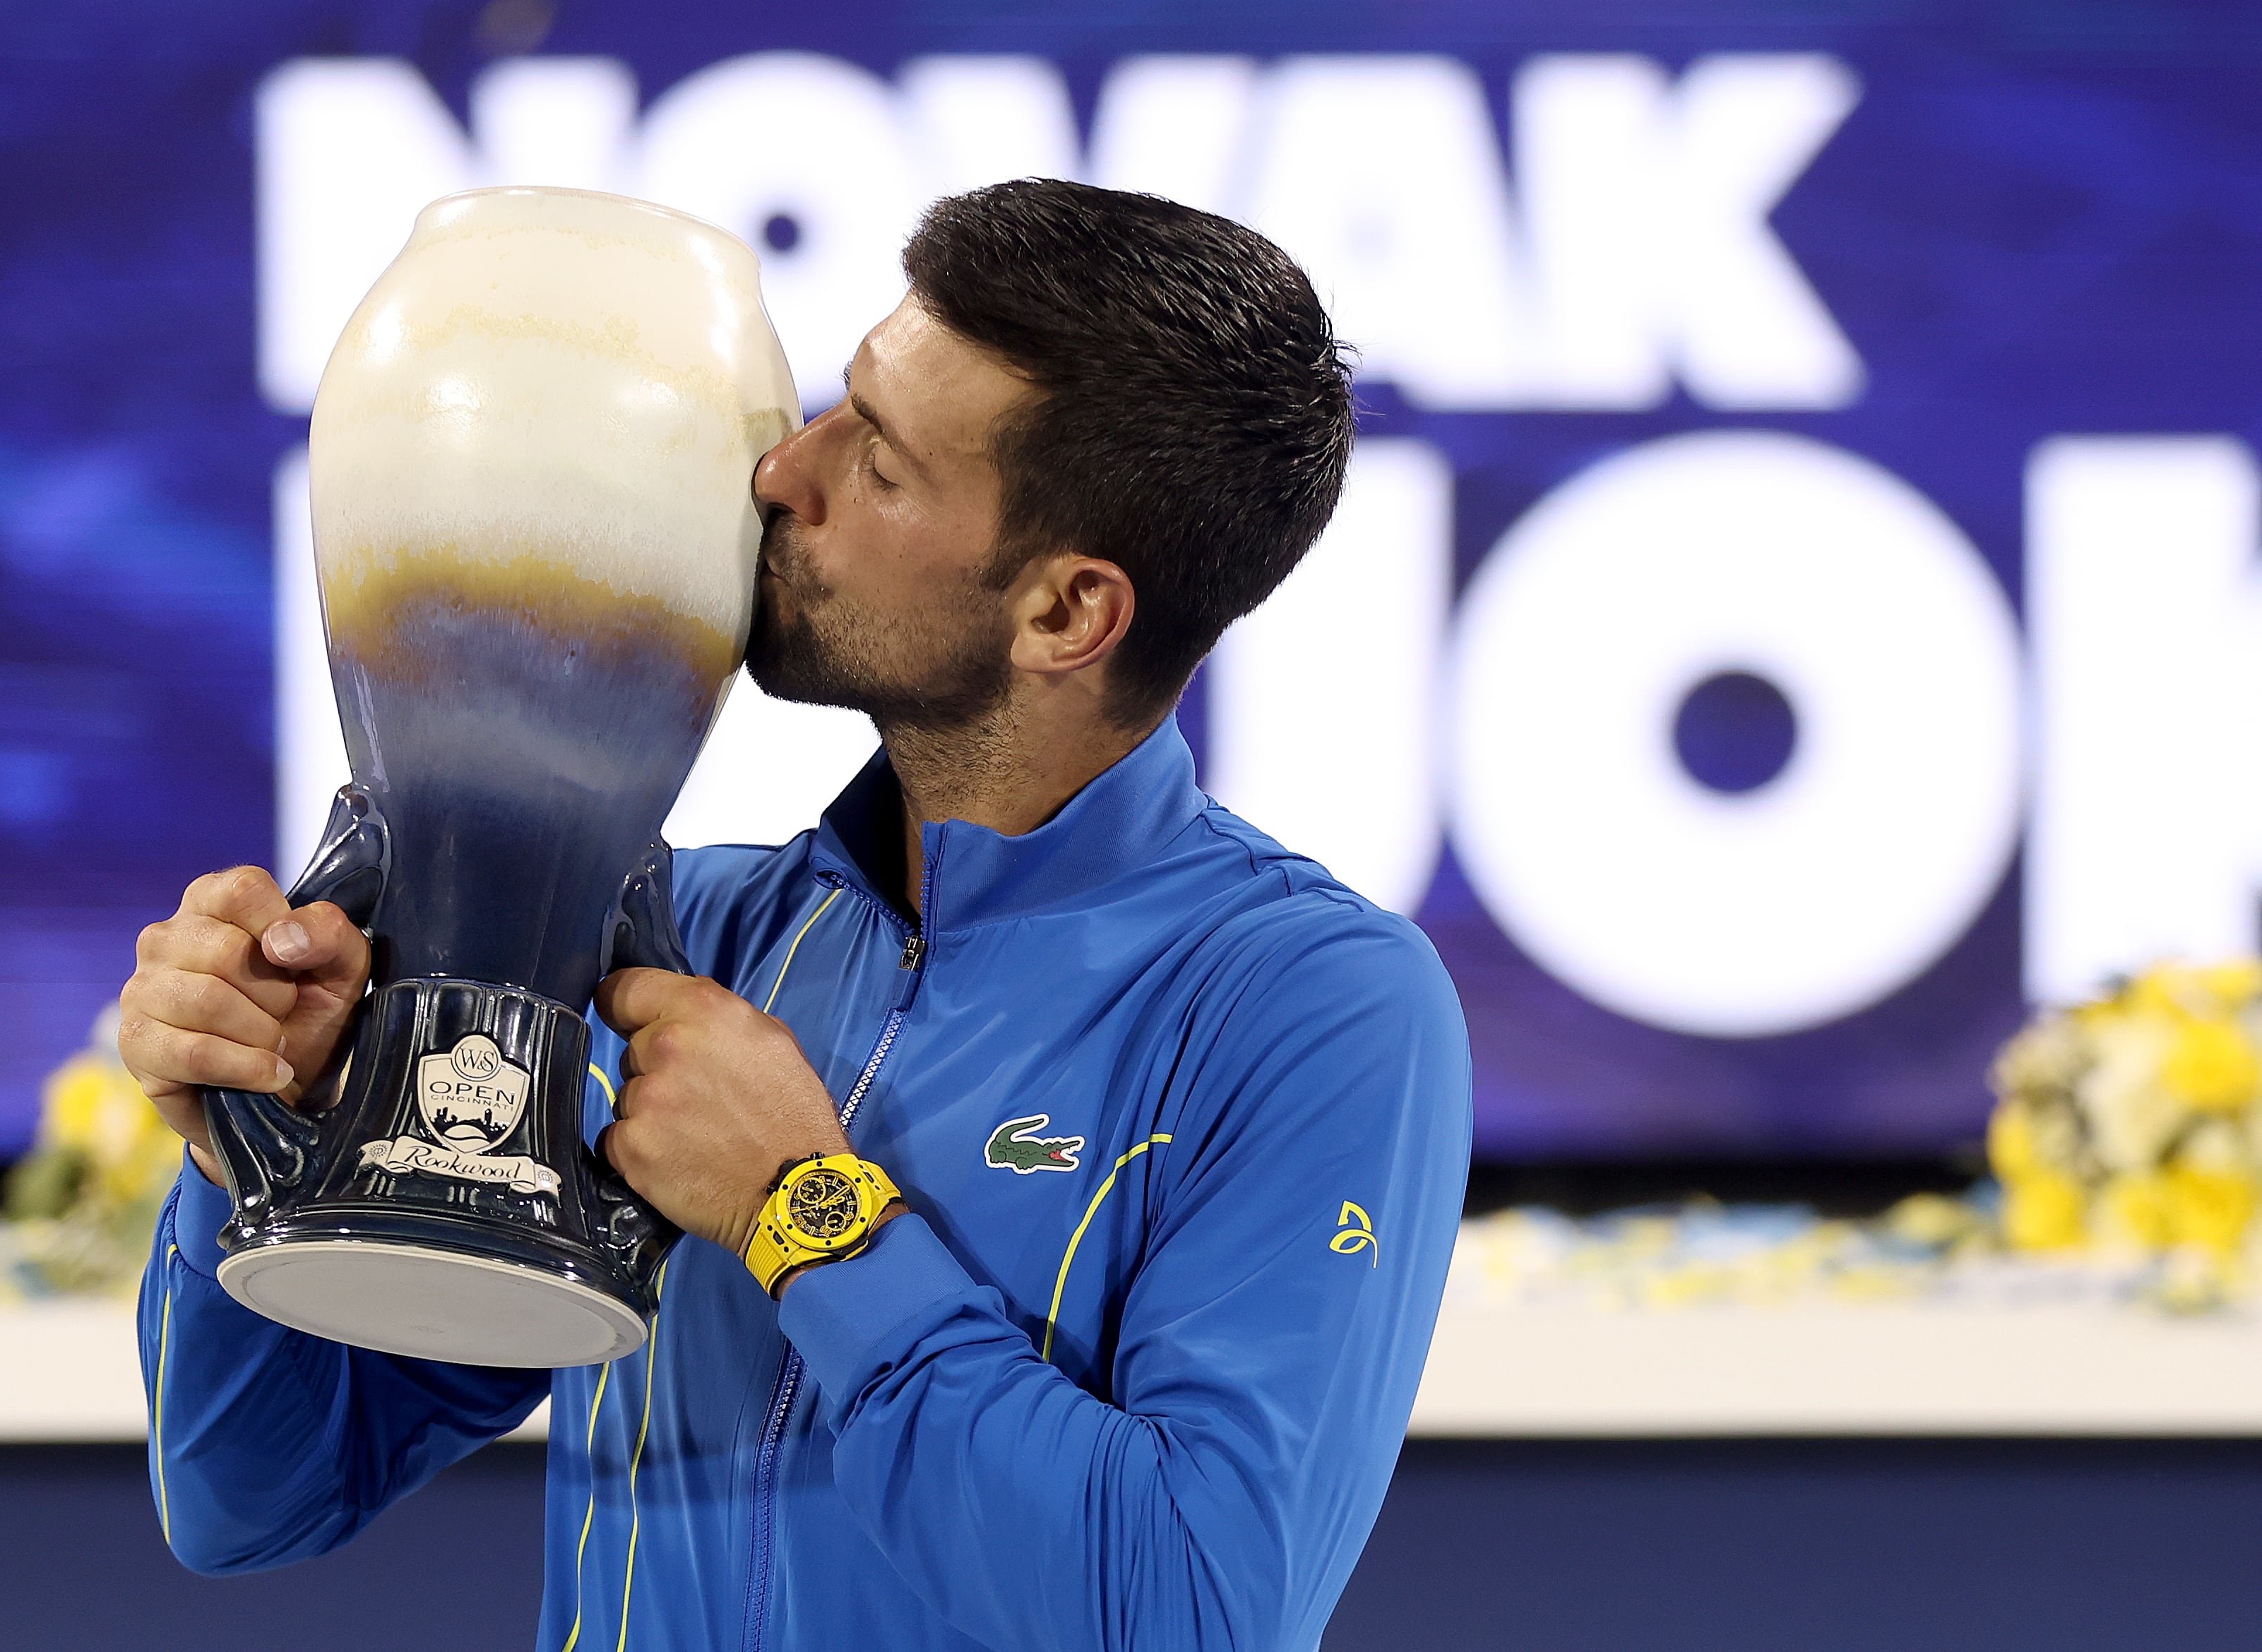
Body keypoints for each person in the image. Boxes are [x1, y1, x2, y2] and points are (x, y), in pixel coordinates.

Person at [119, 178, 1472, 1652]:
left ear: (1067, 613)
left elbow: (1194, 1611)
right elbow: (253, 1498)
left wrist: (805, 1216)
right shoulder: (676, 930)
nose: (781, 474)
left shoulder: (1316, 1006)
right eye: (837, 403)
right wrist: (259, 1132)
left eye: (878, 463)